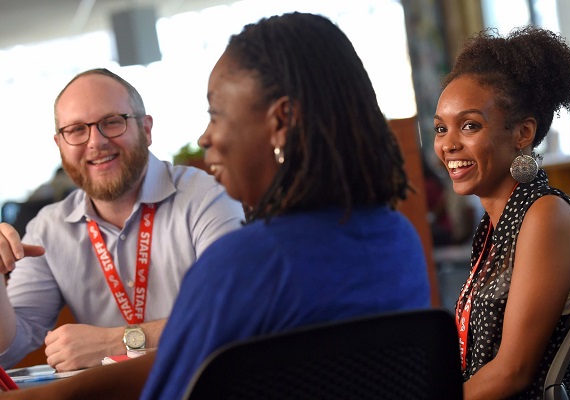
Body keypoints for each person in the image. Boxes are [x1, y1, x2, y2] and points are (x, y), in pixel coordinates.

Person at [0, 11, 431, 399]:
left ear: (279, 122)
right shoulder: (399, 238)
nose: (205, 138)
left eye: (216, 114)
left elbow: (178, 386)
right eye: (76, 130)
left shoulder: (242, 264)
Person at [0, 68, 245, 371]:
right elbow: (8, 349)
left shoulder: (206, 199)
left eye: (112, 122)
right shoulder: (48, 229)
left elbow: (235, 315)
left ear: (146, 130)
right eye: (76, 130)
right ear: (60, 145)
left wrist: (118, 342)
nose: (96, 142)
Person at [433, 26, 570, 399]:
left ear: (522, 132)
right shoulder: (498, 224)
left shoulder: (545, 217)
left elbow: (513, 372)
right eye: (441, 128)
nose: (448, 144)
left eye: (470, 125)